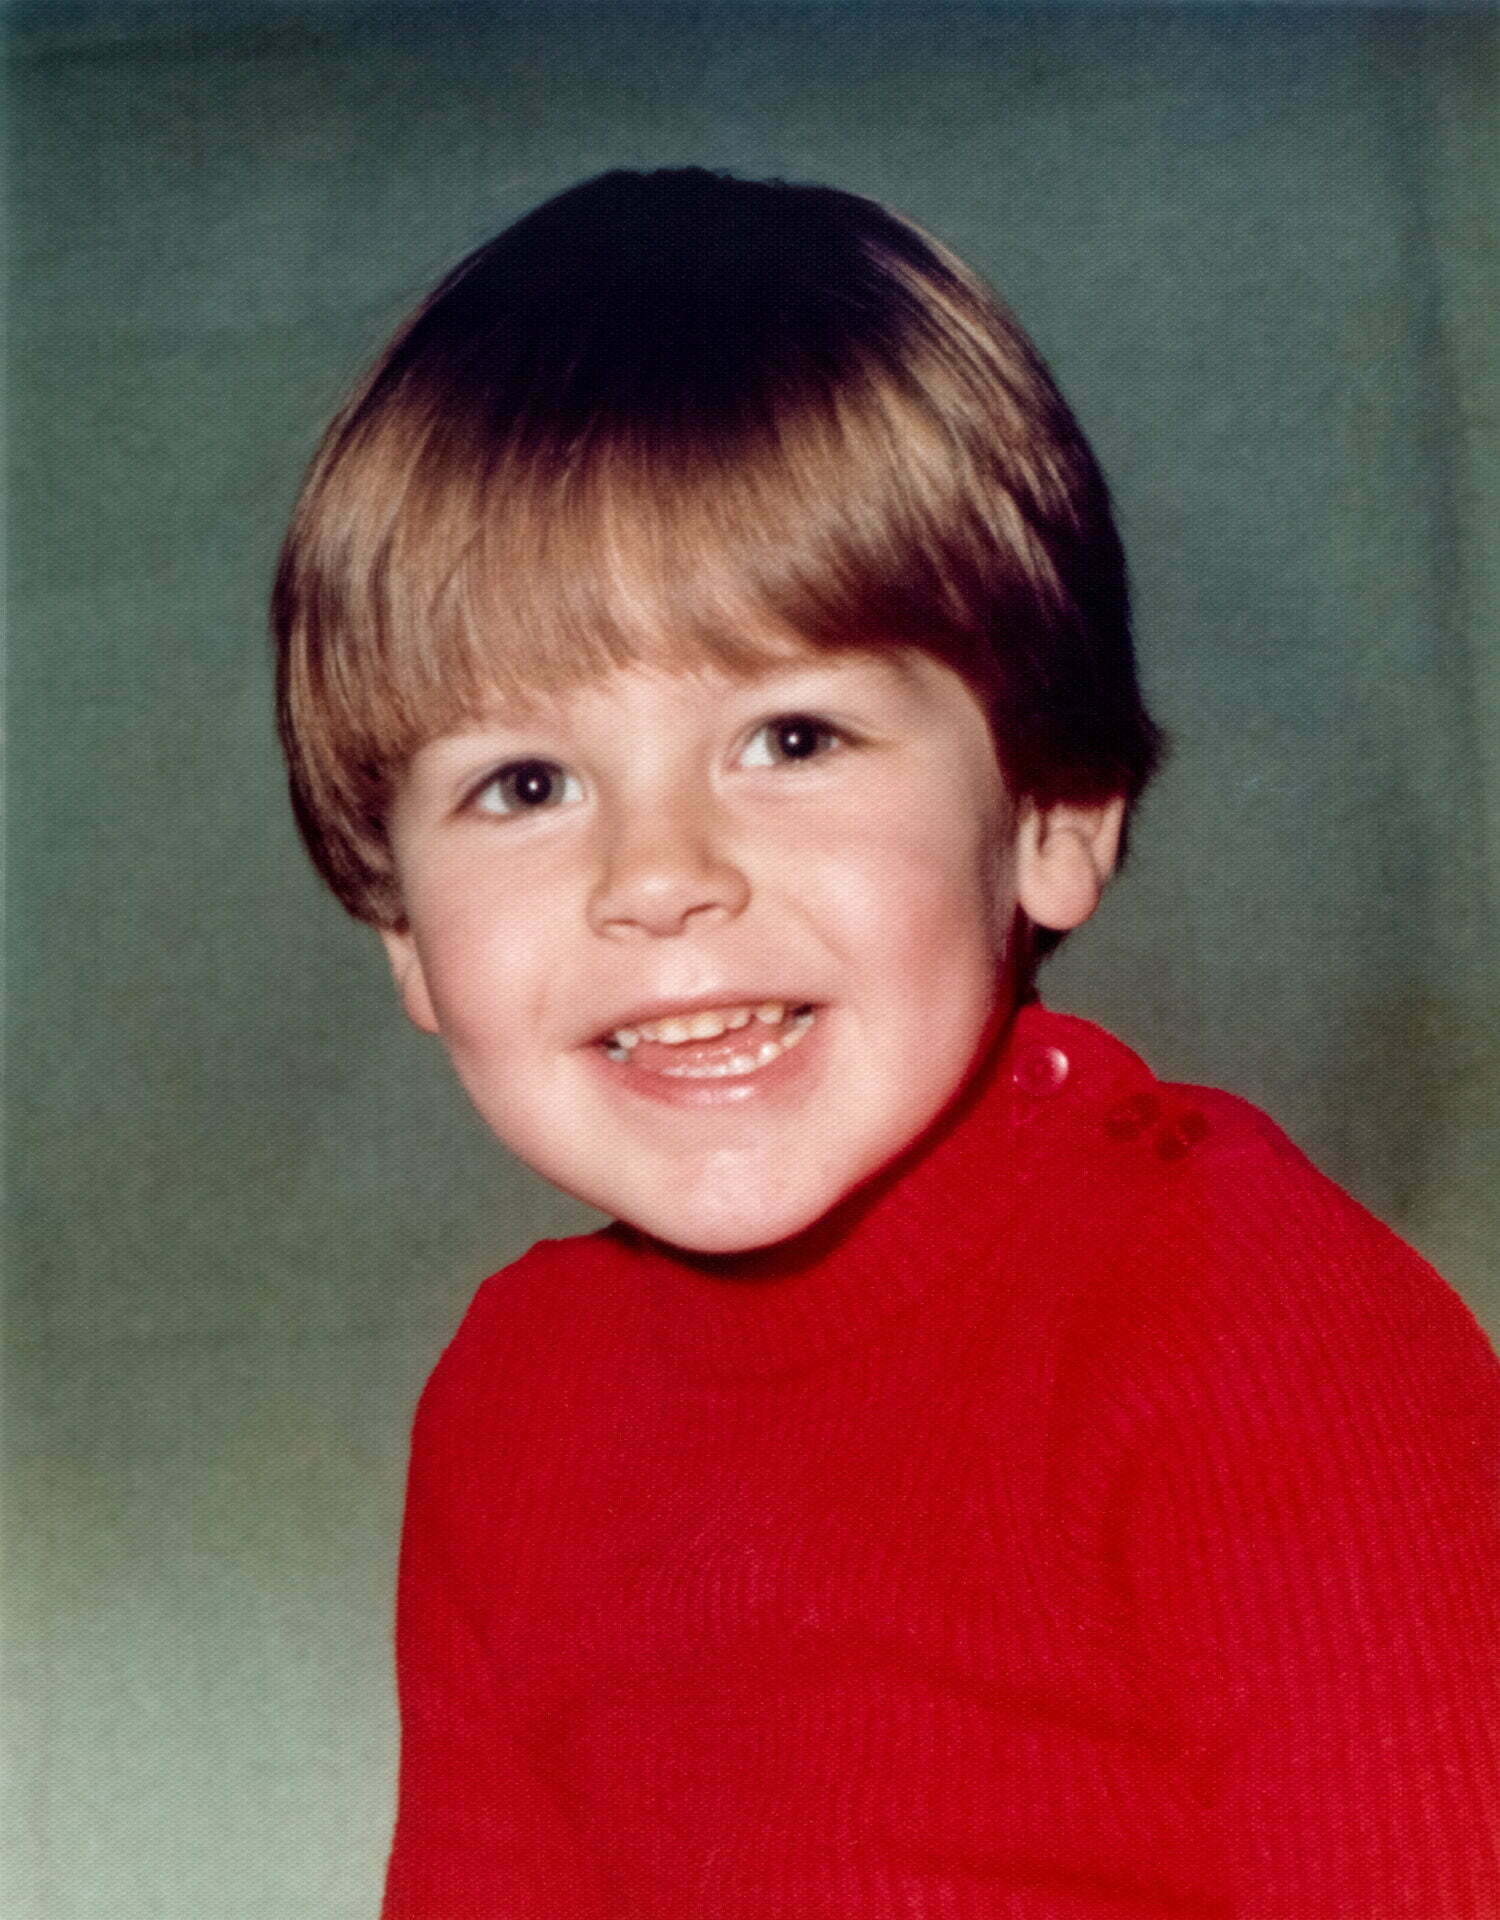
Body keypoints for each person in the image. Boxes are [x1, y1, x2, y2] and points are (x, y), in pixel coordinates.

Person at [272, 169, 1500, 1917]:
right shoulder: (515, 1407)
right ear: (401, 929)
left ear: (1054, 807)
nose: (659, 877)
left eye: (791, 735)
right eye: (524, 785)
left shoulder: (1246, 1331)